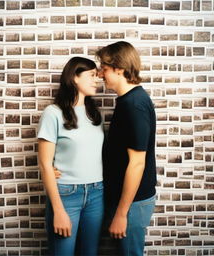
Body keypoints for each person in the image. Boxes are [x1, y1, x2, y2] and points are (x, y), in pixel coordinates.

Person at [37, 57, 104, 256]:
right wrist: (58, 211)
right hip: (66, 194)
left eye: (97, 76)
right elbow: (45, 164)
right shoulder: (53, 113)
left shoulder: (94, 114)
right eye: (91, 75)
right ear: (74, 77)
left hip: (97, 193)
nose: (96, 80)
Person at [96, 41, 157, 256]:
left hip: (132, 203)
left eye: (104, 67)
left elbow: (137, 162)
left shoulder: (134, 105)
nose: (101, 74)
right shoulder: (127, 101)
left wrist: (121, 214)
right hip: (127, 201)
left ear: (119, 68)